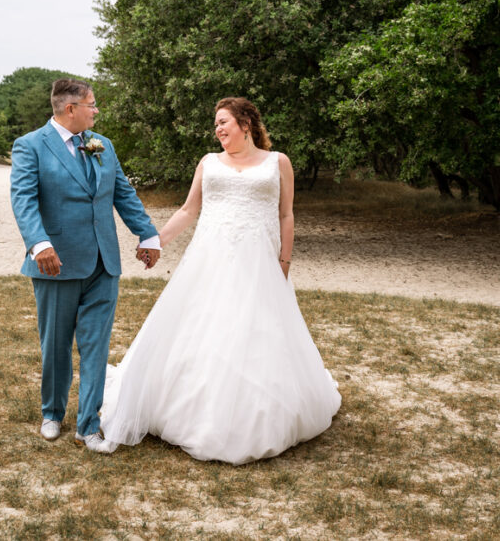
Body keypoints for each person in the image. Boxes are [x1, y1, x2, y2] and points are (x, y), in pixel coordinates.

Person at [99, 97, 342, 465]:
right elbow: (188, 210)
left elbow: (286, 214)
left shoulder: (279, 163)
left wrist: (285, 260)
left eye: (224, 121)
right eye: (215, 124)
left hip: (258, 261)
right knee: (202, 322)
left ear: (246, 123)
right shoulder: (209, 163)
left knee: (257, 329)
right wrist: (155, 241)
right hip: (209, 259)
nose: (218, 129)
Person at [10, 78, 161, 453]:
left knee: (95, 346)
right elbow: (23, 199)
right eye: (92, 105)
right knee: (56, 345)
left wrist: (148, 235)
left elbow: (123, 193)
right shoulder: (30, 145)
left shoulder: (102, 145)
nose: (97, 111)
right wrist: (39, 243)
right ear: (70, 109)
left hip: (103, 263)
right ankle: (52, 413)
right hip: (55, 264)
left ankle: (89, 426)